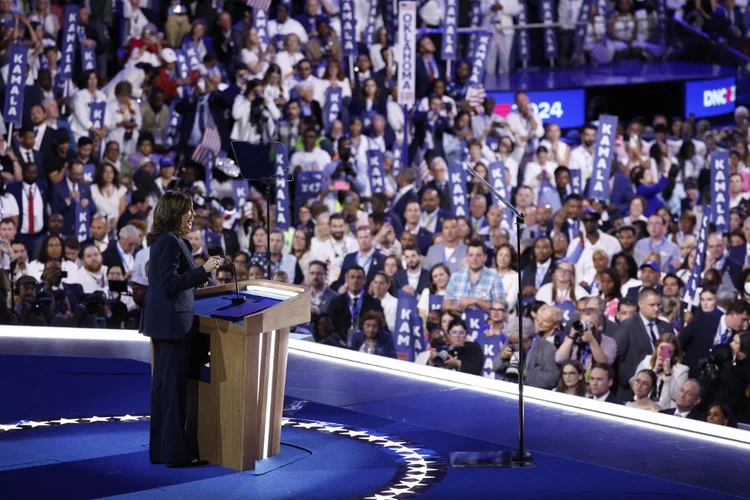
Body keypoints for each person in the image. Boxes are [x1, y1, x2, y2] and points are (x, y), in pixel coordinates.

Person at [139, 191, 224, 468]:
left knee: (164, 390)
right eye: (189, 210)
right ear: (176, 212)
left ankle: (163, 451)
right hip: (174, 326)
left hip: (167, 323)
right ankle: (177, 454)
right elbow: (169, 283)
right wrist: (204, 270)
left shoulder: (171, 241)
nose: (193, 215)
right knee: (172, 391)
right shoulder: (169, 242)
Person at [634, 333, 690, 409]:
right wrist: (653, 372)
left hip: (665, 410)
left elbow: (677, 396)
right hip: (641, 406)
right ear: (657, 348)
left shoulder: (682, 370)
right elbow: (636, 386)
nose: (664, 353)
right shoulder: (646, 361)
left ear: (674, 354)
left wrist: (668, 374)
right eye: (662, 349)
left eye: (669, 352)